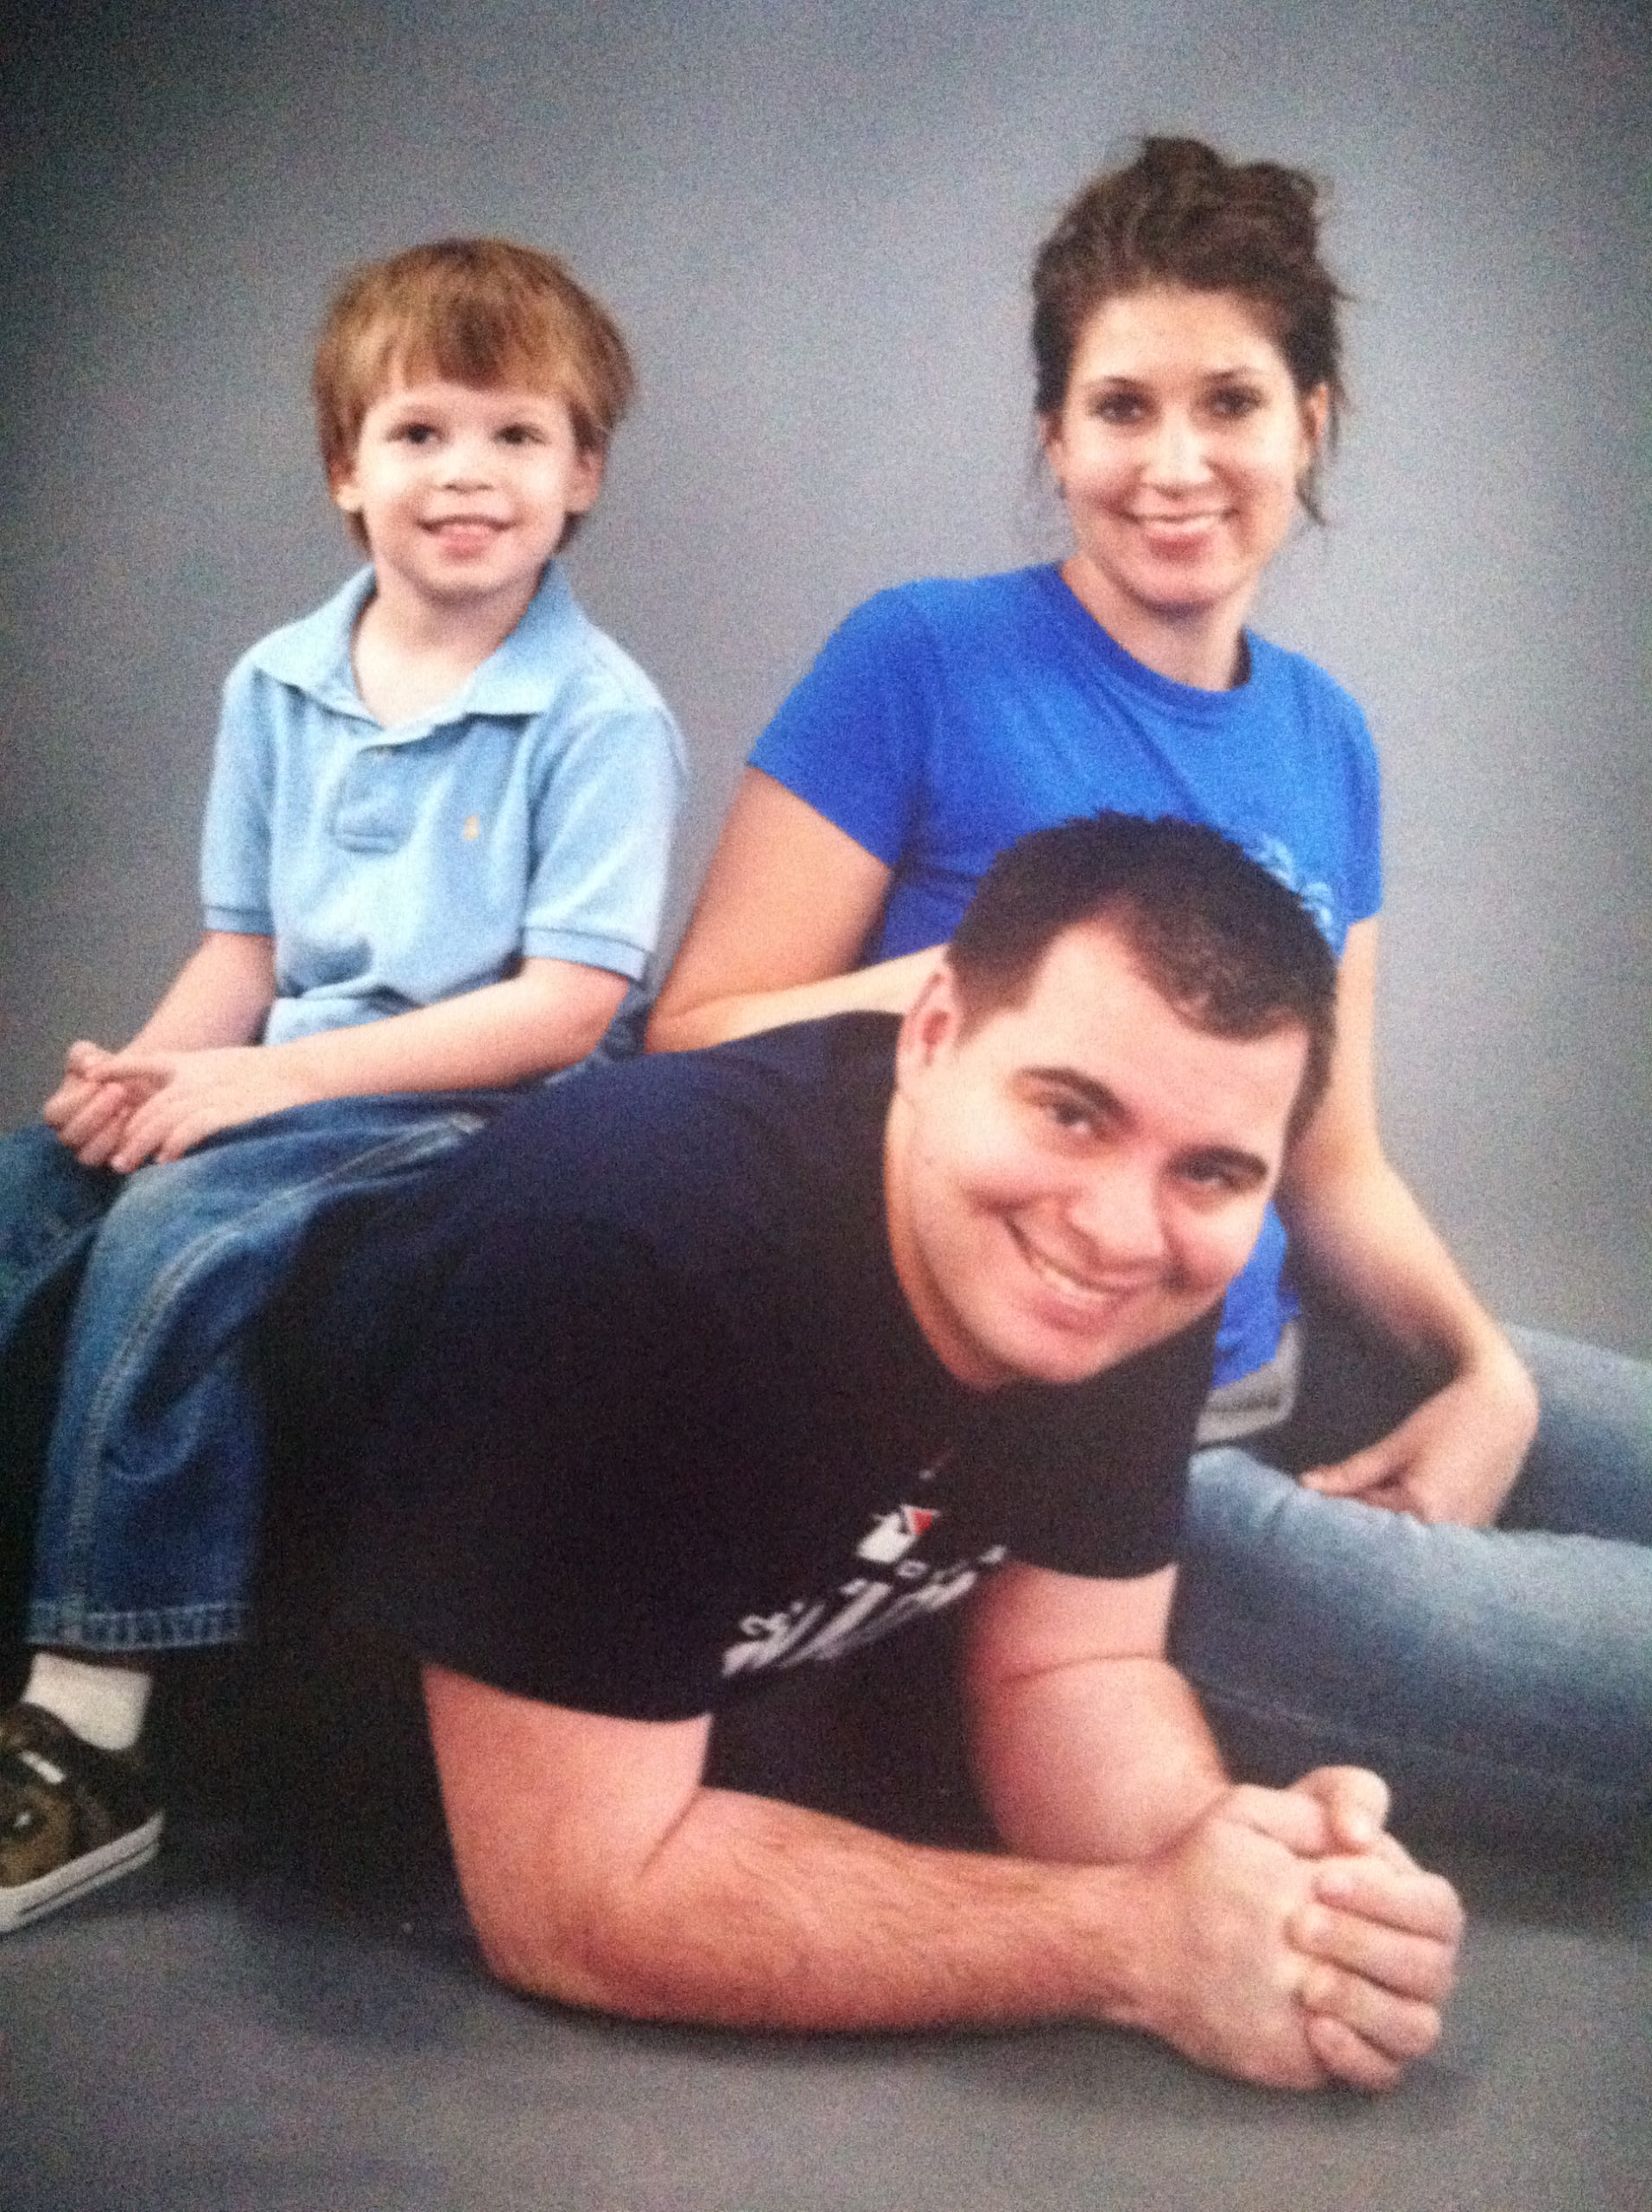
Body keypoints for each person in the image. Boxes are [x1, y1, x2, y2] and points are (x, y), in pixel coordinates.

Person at [645, 137, 1652, 1841]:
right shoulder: (919, 658)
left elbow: (1330, 1158)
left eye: (1229, 402)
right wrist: (980, 986)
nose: (1174, 464)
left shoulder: (1324, 734)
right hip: (1087, 1467)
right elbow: (689, 1040)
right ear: (1055, 435)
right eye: (1120, 407)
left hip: (1287, 1350)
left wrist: (1485, 1374)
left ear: (1308, 421)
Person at [264, 815, 1459, 2091]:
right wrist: (1135, 1939)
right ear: (931, 1035)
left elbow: (1070, 1670)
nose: (1121, 1230)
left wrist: (1256, 1883)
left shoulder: (1139, 1275)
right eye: (1070, 1113)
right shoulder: (626, 1248)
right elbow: (581, 1899)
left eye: (1214, 1173)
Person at [0, 238, 685, 1930]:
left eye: (517, 435)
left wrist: (256, 1092)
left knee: (181, 1233)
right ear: (343, 468)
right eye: (419, 432)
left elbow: (563, 1009)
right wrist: (160, 1070)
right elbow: (245, 950)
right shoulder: (277, 683)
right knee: (28, 1188)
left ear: (582, 472)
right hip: (298, 1072)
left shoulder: (598, 714)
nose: (466, 474)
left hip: (488, 1107)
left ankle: (93, 1725)